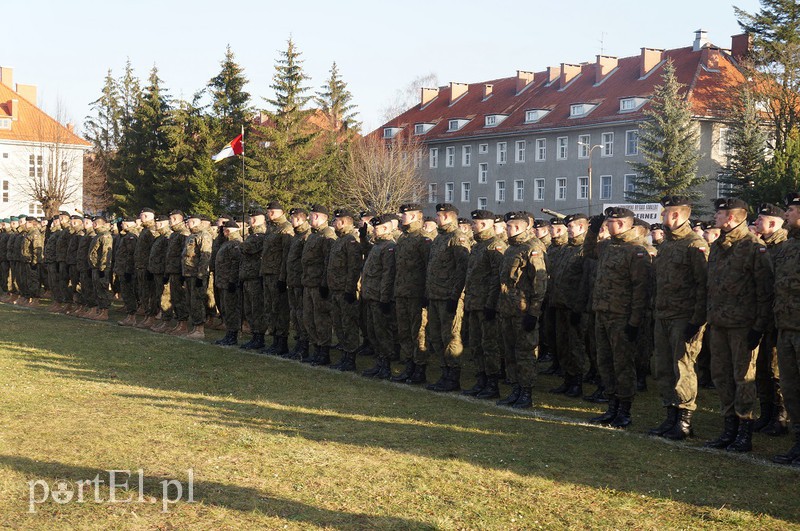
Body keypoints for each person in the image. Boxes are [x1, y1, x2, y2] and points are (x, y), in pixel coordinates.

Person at [704, 197, 774, 453]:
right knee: (721, 376)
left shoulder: (753, 247)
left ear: (731, 218)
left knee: (743, 377)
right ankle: (729, 426)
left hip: (743, 326)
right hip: (719, 323)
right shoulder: (718, 246)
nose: (715, 217)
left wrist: (758, 327)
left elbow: (765, 291)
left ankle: (744, 429)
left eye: (719, 214)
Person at [648, 196, 708, 440]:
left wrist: (697, 320)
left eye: (665, 213)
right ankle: (670, 415)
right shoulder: (667, 245)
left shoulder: (694, 245)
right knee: (663, 367)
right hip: (663, 314)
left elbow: (703, 285)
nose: (662, 217)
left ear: (675, 215)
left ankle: (684, 419)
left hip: (684, 317)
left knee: (683, 368)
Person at [585, 207, 650, 428]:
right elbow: (588, 252)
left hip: (622, 317)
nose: (606, 226)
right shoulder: (606, 246)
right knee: (605, 362)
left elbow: (641, 289)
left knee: (622, 364)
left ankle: (624, 409)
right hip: (603, 313)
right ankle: (611, 406)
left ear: (621, 224)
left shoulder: (636, 251)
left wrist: (635, 321)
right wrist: (592, 231)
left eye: (609, 223)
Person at [495, 211, 548, 408]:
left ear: (517, 227)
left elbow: (539, 283)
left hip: (523, 311)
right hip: (508, 310)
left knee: (525, 352)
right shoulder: (511, 248)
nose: (505, 229)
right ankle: (516, 387)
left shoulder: (532, 248)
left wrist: (533, 313)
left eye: (508, 226)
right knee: (510, 351)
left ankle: (526, 391)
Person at [752, 203, 789, 436]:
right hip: (761, 318)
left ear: (773, 223)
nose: (756, 223)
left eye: (760, 220)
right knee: (762, 369)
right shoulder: (762, 247)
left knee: (777, 371)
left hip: (778, 318)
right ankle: (766, 412)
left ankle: (781, 416)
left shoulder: (785, 247)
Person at [425, 203, 470, 392]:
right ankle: (444, 372)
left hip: (449, 297)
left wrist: (455, 296)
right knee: (436, 336)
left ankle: (453, 376)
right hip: (435, 295)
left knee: (451, 337)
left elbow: (462, 269)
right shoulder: (439, 238)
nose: (436, 218)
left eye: (439, 215)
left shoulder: (457, 238)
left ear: (448, 217)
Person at [462, 209, 506, 398]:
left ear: (485, 224)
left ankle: (492, 383)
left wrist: (491, 304)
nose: (472, 226)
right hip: (474, 302)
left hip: (487, 305)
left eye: (475, 223)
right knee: (476, 344)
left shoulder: (495, 246)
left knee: (489, 345)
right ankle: (481, 380)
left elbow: (497, 278)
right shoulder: (478, 246)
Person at [772, 192, 800, 465]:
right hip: (786, 327)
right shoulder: (787, 247)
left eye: (791, 210)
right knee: (790, 388)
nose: (787, 214)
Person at [392, 203, 433, 384]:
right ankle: (409, 365)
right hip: (402, 292)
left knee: (419, 332)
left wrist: (426, 293)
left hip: (416, 293)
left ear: (416, 216)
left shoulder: (423, 239)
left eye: (405, 215)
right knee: (404, 331)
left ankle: (419, 368)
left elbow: (429, 268)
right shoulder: (403, 238)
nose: (402, 217)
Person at [551, 213, 589, 398]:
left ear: (581, 227)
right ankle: (567, 379)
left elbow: (585, 281)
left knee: (575, 346)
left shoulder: (585, 250)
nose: (568, 230)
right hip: (561, 304)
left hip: (575, 307)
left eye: (571, 227)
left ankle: (577, 382)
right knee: (563, 344)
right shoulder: (566, 248)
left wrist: (579, 307)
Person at [361, 214, 397, 378]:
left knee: (383, 332)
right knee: (373, 331)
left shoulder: (389, 247)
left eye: (376, 228)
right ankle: (379, 362)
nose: (373, 231)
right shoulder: (377, 246)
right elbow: (366, 250)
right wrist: (363, 237)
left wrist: (384, 298)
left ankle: (386, 365)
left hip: (379, 297)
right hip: (371, 295)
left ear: (386, 228)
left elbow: (388, 275)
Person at [326, 208, 363, 370]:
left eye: (335, 221)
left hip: (345, 291)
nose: (333, 223)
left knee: (349, 324)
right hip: (335, 289)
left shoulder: (350, 241)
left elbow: (354, 268)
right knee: (339, 324)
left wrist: (350, 289)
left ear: (342, 222)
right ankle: (344, 354)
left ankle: (350, 357)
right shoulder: (339, 240)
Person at [301, 205, 337, 365]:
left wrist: (324, 283)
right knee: (309, 318)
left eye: (312, 215)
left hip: (318, 284)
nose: (309, 218)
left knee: (321, 318)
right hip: (309, 282)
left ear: (319, 217)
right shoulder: (313, 235)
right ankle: (316, 347)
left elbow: (328, 261)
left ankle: (324, 351)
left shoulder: (327, 235)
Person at [260, 201, 295, 356]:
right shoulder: (271, 228)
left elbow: (286, 255)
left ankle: (282, 341)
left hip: (277, 274)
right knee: (270, 308)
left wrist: (283, 277)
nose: (270, 214)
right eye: (268, 211)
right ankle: (275, 339)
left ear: (282, 212)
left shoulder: (286, 228)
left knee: (280, 308)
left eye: (273, 212)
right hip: (268, 273)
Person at [239, 207, 267, 349]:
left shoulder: (261, 235)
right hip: (248, 277)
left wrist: (241, 244)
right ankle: (254, 335)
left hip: (256, 277)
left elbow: (248, 248)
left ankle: (259, 336)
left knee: (257, 309)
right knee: (249, 309)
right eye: (251, 218)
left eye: (255, 219)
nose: (252, 221)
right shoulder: (251, 235)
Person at [285, 208, 311, 360]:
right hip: (293, 280)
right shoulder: (297, 236)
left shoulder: (307, 236)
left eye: (293, 218)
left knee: (302, 314)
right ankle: (299, 341)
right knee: (295, 313)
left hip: (301, 281)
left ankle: (304, 344)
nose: (291, 221)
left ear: (300, 219)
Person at [182, 213, 213, 340]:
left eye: (189, 221)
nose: (187, 224)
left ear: (195, 222)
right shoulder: (191, 235)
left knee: (197, 301)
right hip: (189, 274)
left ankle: (200, 329)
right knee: (190, 301)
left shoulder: (204, 235)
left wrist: (201, 275)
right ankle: (195, 327)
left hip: (197, 275)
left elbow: (205, 257)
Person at [214, 220, 243, 346]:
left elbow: (235, 263)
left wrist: (232, 280)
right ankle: (229, 333)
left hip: (229, 282)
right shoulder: (227, 242)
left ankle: (232, 335)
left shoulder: (235, 243)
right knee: (226, 308)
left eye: (226, 230)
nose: (224, 232)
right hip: (223, 281)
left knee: (232, 309)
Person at [165, 211, 191, 335]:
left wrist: (182, 272)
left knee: (180, 298)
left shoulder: (183, 234)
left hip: (179, 271)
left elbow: (185, 254)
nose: (170, 221)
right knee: (175, 298)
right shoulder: (174, 234)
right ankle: (179, 323)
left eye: (172, 219)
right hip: (172, 270)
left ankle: (183, 324)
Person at [148, 215, 173, 331]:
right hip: (156, 270)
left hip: (163, 271)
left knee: (165, 297)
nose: (155, 225)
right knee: (158, 294)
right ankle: (161, 317)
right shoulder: (160, 237)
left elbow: (168, 256)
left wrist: (166, 273)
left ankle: (166, 321)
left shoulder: (168, 237)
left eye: (158, 223)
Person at [134, 208, 158, 328]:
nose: (140, 218)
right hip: (141, 266)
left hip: (147, 267)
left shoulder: (152, 230)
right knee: (143, 292)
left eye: (142, 216)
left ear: (149, 216)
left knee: (149, 293)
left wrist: (150, 267)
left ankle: (151, 317)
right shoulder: (145, 230)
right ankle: (147, 315)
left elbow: (154, 251)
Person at [87, 215, 113, 321]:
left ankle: (104, 312)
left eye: (95, 223)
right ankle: (100, 310)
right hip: (95, 267)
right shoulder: (98, 235)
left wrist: (103, 268)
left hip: (101, 268)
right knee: (97, 290)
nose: (93, 225)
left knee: (103, 289)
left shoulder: (105, 235)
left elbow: (106, 253)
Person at [115, 218, 140, 326]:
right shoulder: (126, 235)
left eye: (124, 223)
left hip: (127, 269)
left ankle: (131, 317)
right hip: (123, 269)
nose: (122, 225)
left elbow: (131, 255)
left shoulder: (131, 236)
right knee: (126, 293)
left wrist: (128, 271)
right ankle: (130, 315)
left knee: (129, 293)